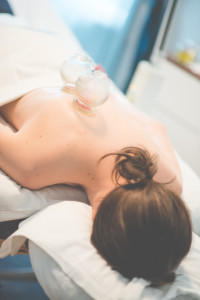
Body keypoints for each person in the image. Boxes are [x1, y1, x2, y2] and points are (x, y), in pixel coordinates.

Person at [0, 0, 192, 287]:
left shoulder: (170, 182)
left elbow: (154, 126)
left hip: (52, 51)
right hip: (13, 47)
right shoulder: (34, 166)